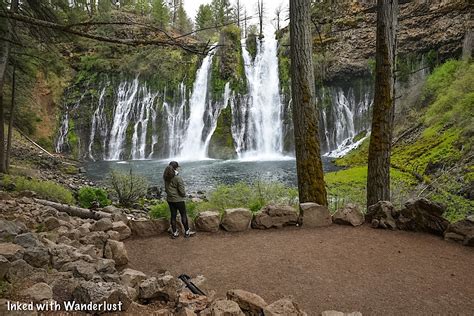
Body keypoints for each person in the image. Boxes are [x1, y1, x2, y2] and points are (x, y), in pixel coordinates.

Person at [163, 161, 195, 238]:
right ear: (176, 168)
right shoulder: (178, 178)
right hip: (179, 200)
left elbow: (167, 189)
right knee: (183, 215)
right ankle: (187, 232)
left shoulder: (166, 177)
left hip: (170, 200)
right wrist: (183, 195)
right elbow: (182, 192)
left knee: (173, 216)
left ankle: (175, 233)